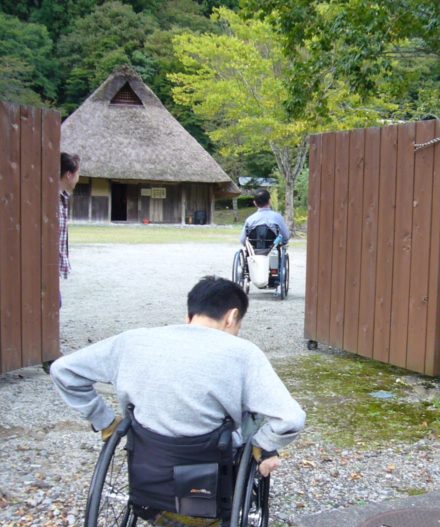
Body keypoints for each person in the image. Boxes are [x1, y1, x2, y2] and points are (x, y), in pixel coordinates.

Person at [50, 276, 305, 478]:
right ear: (232, 317)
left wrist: (104, 420)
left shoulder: (133, 341)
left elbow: (63, 370)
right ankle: (264, 454)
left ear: (189, 316)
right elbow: (291, 418)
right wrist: (263, 442)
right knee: (258, 414)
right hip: (214, 453)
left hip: (148, 450)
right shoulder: (243, 353)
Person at [58, 152, 80, 282]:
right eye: (77, 174)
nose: (78, 178)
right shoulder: (52, 202)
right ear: (69, 175)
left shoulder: (62, 199)